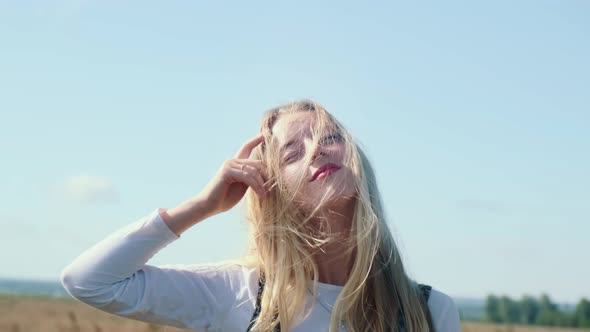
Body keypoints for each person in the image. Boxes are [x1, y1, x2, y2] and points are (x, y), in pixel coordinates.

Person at [61, 100, 461, 332]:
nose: (316, 151)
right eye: (292, 152)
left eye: (331, 139)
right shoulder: (244, 293)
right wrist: (203, 205)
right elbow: (90, 281)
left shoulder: (428, 311)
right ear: (275, 193)